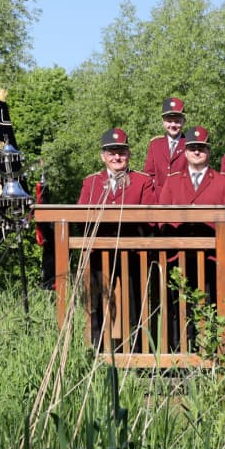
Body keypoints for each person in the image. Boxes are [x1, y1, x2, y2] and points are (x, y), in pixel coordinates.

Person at [157, 126, 225, 351]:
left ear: (208, 152)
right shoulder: (172, 182)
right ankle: (179, 352)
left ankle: (212, 352)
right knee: (179, 306)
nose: (197, 152)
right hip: (178, 255)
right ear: (185, 152)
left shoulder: (223, 181)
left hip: (212, 256)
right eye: (192, 148)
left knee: (211, 304)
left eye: (201, 148)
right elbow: (162, 218)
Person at [77, 127, 155, 349]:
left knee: (135, 306)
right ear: (103, 156)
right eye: (111, 152)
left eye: (121, 152)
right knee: (95, 305)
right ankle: (97, 351)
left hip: (131, 253)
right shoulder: (91, 182)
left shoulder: (141, 181)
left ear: (128, 154)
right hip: (98, 252)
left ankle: (139, 354)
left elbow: (149, 217)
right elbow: (81, 216)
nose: (116, 157)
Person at [143, 96, 188, 195]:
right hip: (159, 199)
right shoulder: (155, 144)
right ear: (163, 122)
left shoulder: (190, 144)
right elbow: (149, 174)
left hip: (182, 198)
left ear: (184, 121)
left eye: (177, 121)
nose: (173, 125)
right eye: (169, 121)